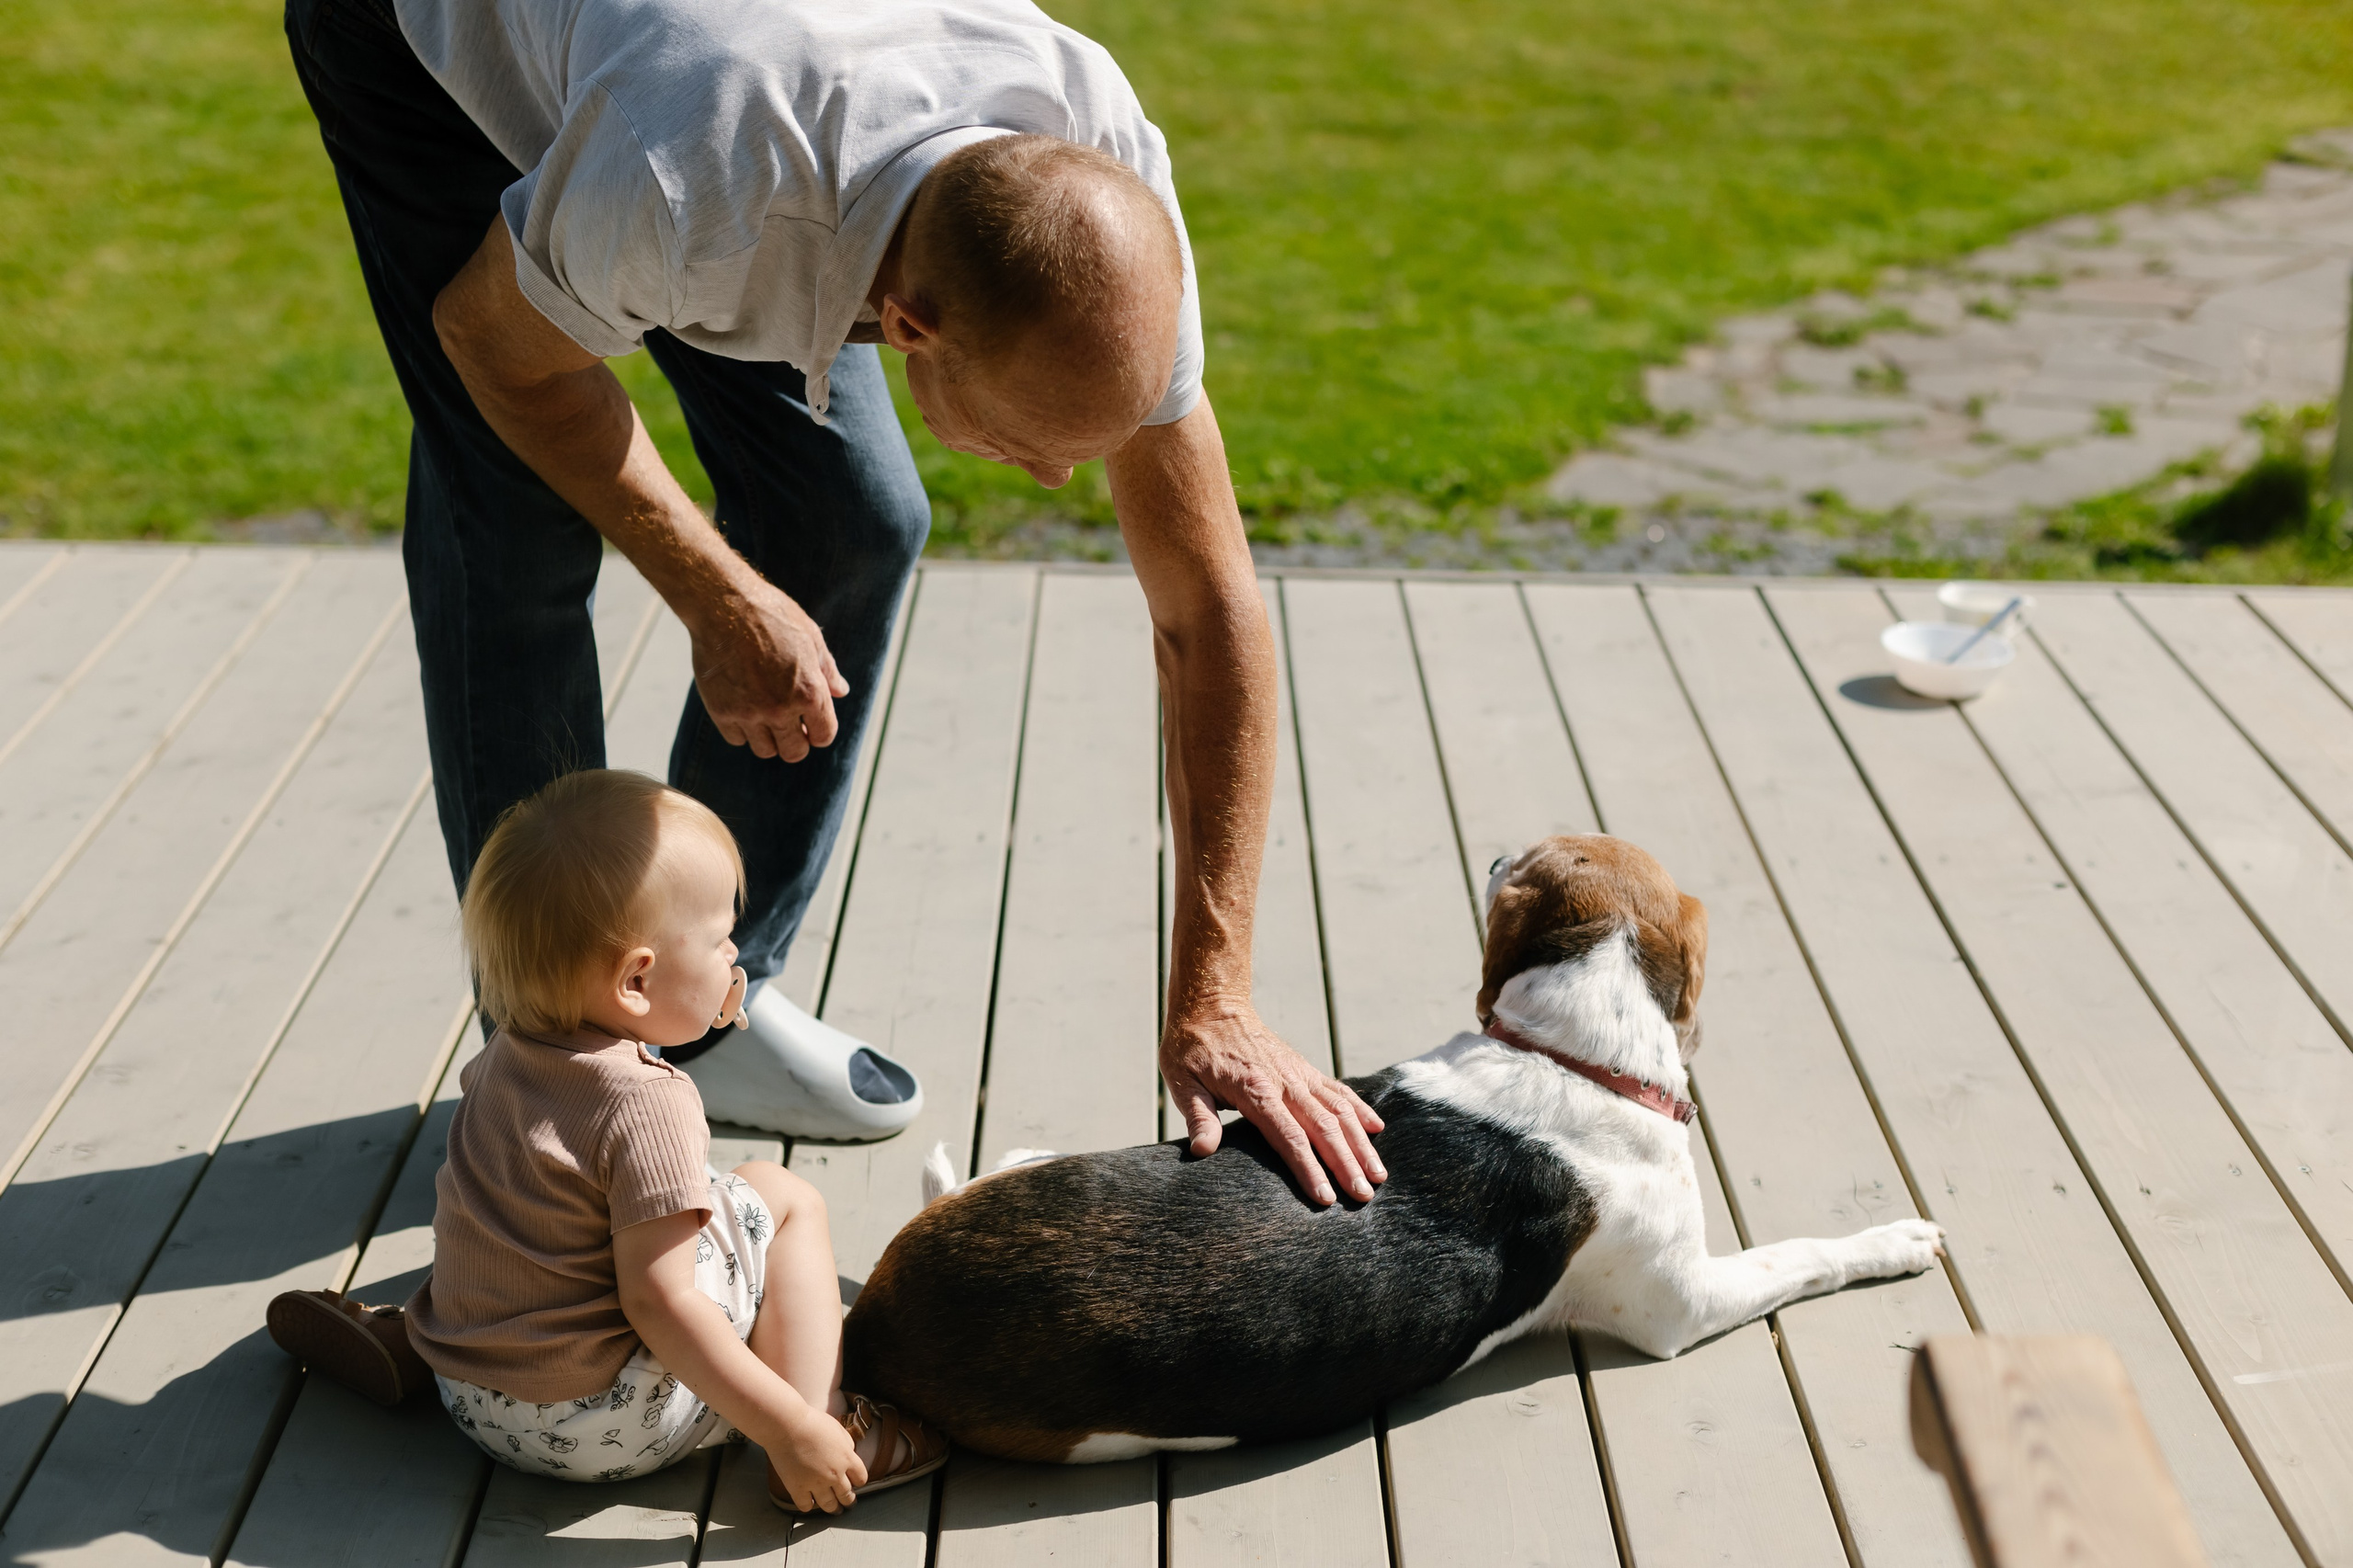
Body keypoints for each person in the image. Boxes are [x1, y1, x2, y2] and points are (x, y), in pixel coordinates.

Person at [285, 0, 1386, 1203]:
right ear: (910, 324)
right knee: (512, 520)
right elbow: (494, 343)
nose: (1063, 476)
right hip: (433, 43)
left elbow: (1207, 604)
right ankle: (555, 1064)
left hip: (723, 97)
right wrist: (716, 594)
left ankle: (707, 1007)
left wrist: (1215, 992)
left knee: (855, 520)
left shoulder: (1098, 169)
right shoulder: (684, 182)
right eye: (1030, 445)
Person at [271, 770, 947, 1509]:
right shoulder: (648, 1103)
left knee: (548, 1222)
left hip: (471, 1394)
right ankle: (827, 1420)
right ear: (635, 982)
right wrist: (786, 1429)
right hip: (606, 1426)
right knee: (782, 1197)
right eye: (722, 939)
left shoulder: (505, 1053)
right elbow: (660, 1304)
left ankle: (416, 1343)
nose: (734, 958)